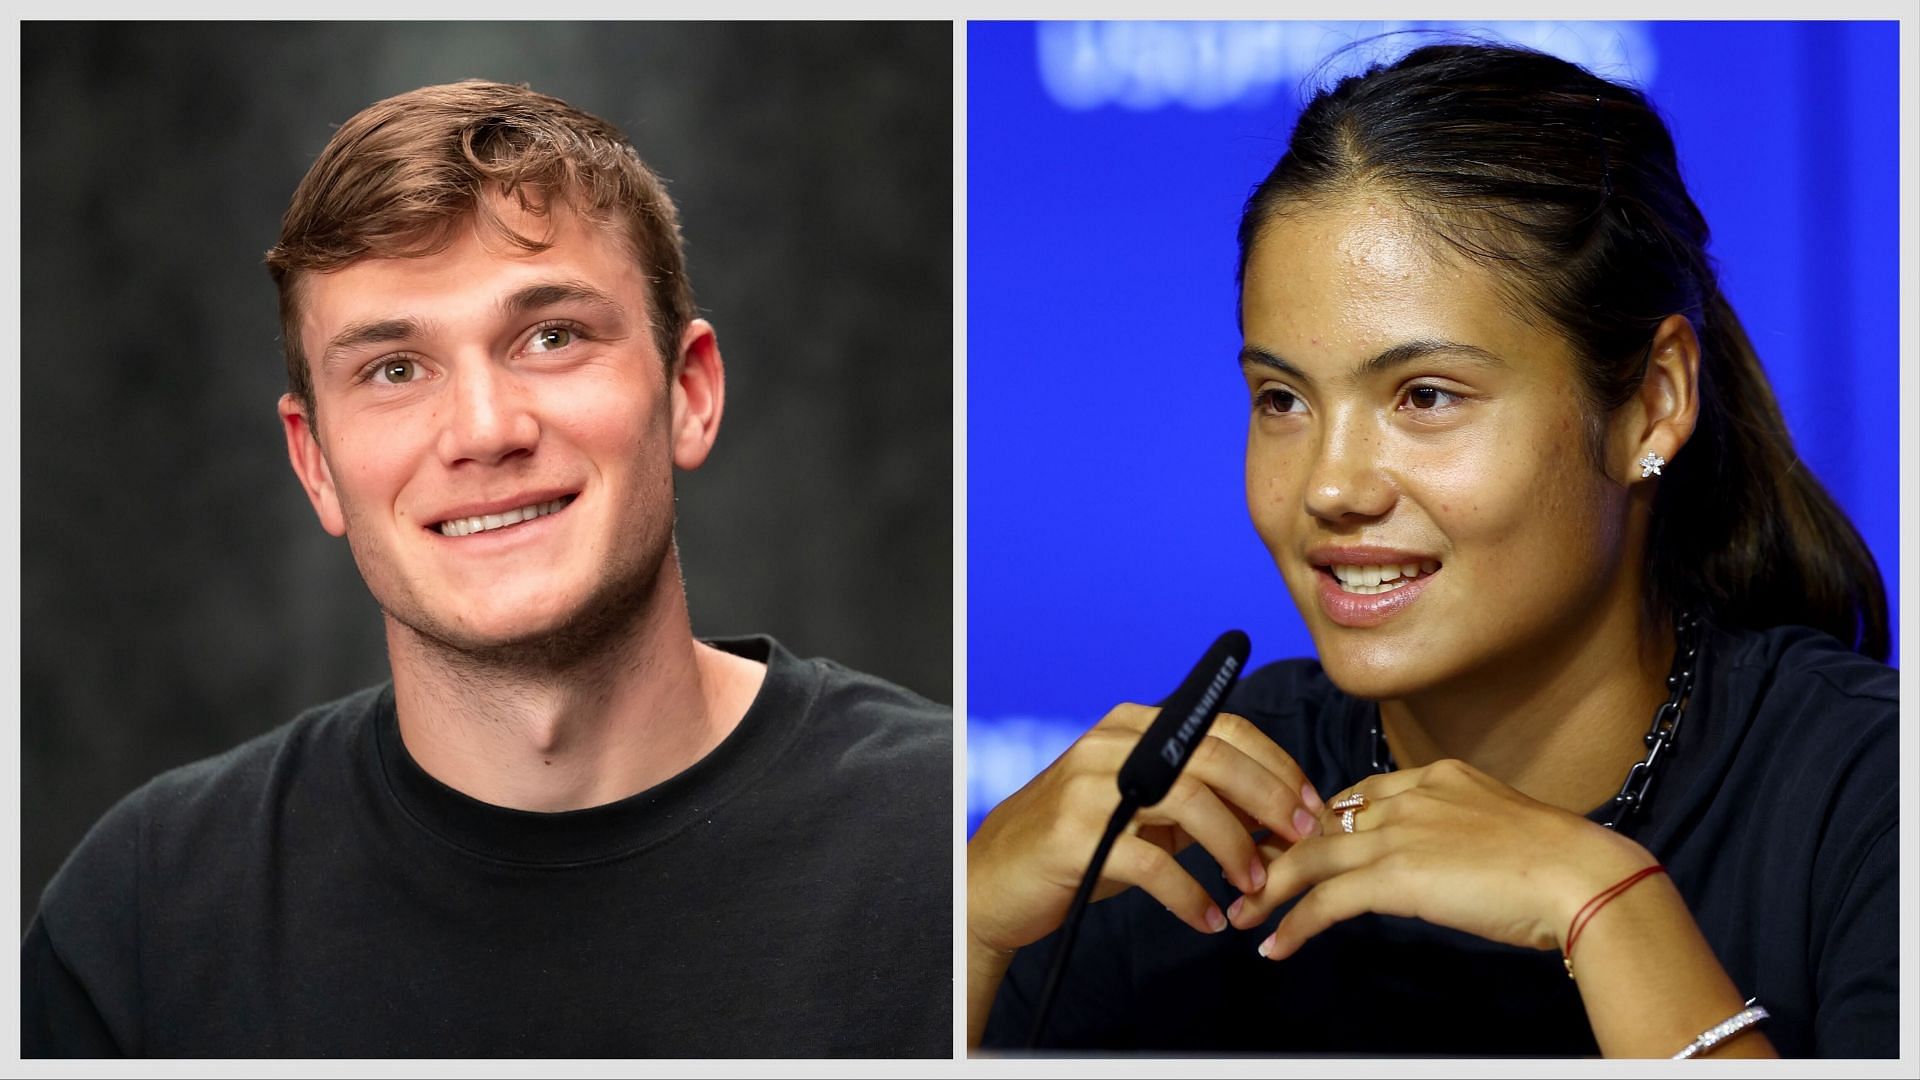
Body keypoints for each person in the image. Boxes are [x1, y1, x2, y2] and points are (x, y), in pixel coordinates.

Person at [968, 43, 1895, 1058]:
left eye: (1425, 398)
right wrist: (966, 933)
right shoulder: (1187, 824)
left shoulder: (1872, 798)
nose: (1329, 486)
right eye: (1282, 399)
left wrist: (1600, 901)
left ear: (1651, 403)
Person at [23, 80, 950, 1058]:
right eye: (393, 370)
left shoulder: (963, 858)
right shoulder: (148, 912)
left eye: (551, 337)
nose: (483, 432)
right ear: (315, 465)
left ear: (689, 391)